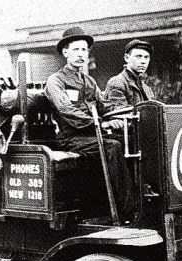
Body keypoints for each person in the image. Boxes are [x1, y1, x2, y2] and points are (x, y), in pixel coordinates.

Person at [45, 27, 136, 221]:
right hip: (71, 138)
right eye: (76, 50)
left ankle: (141, 198)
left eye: (84, 50)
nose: (81, 54)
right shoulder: (56, 81)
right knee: (113, 146)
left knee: (131, 140)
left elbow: (104, 106)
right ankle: (129, 209)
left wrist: (126, 114)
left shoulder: (89, 81)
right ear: (65, 52)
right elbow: (67, 111)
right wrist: (100, 124)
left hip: (92, 136)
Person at [105, 39, 155, 109]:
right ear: (127, 58)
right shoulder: (117, 83)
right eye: (139, 56)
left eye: (146, 57)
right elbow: (119, 112)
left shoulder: (147, 89)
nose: (143, 61)